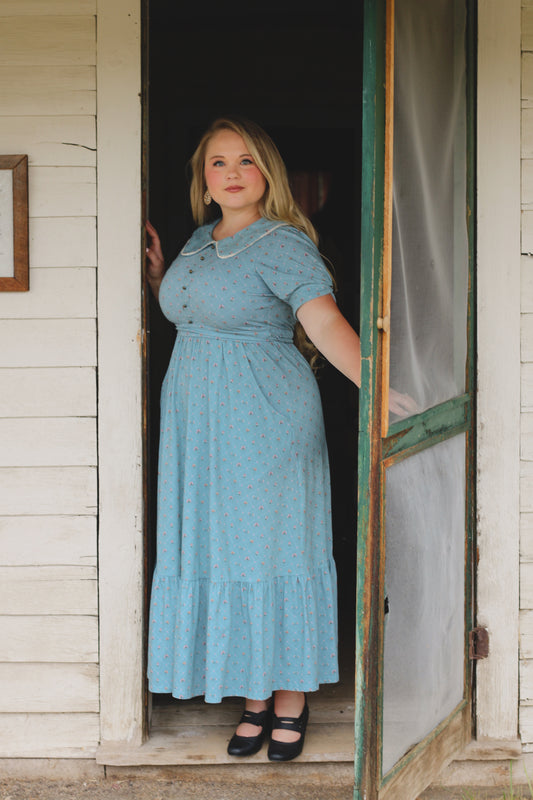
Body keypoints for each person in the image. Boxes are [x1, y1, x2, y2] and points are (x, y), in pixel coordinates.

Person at [145, 116, 408, 762]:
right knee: (223, 552)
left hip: (264, 418)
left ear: (267, 175)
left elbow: (324, 324)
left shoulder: (283, 243)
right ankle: (253, 697)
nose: (230, 173)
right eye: (217, 163)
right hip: (199, 429)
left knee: (271, 550)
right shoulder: (200, 241)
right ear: (203, 181)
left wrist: (377, 390)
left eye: (245, 162)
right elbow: (198, 312)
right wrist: (159, 280)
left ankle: (288, 698)